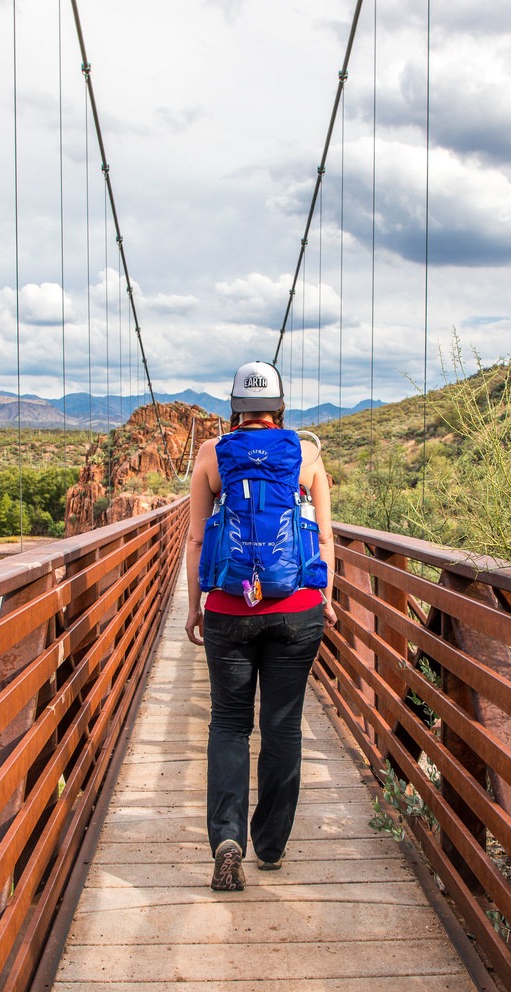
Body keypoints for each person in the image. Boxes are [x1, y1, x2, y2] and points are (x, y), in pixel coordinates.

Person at [185, 361, 336, 892]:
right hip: (297, 610)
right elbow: (323, 538)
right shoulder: (308, 452)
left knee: (228, 724)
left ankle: (227, 839)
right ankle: (270, 844)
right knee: (282, 725)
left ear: (234, 408)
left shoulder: (211, 455)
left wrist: (192, 606)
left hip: (228, 609)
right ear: (280, 408)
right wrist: (328, 598)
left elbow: (197, 542)